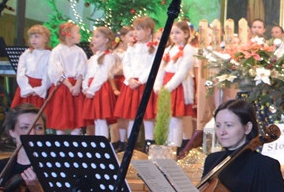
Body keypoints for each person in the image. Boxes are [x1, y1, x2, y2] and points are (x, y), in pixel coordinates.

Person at [114, 15, 158, 146]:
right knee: (131, 115)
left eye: (139, 29)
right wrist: (130, 79)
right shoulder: (131, 48)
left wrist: (141, 80)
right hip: (131, 84)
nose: (135, 33)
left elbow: (152, 66)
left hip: (144, 85)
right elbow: (126, 64)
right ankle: (130, 143)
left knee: (147, 116)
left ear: (148, 31)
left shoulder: (153, 48)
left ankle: (149, 142)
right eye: (135, 29)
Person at [155, 20, 197, 149]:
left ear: (185, 34)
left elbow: (182, 72)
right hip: (167, 84)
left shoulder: (188, 50)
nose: (174, 35)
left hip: (178, 86)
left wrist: (168, 87)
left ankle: (175, 147)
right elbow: (162, 68)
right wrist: (157, 85)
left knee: (176, 118)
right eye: (172, 33)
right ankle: (167, 143)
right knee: (168, 117)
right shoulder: (169, 49)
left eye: (177, 33)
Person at [45, 22, 88, 134]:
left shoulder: (79, 51)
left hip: (76, 87)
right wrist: (70, 86)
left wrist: (77, 85)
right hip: (62, 87)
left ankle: (75, 144)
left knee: (76, 117)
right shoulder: (57, 51)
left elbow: (82, 68)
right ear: (69, 35)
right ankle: (61, 144)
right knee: (61, 117)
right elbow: (56, 70)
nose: (80, 35)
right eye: (77, 33)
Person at [81, 26, 119, 139]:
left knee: (101, 119)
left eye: (97, 36)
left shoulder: (108, 57)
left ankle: (103, 144)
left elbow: (102, 75)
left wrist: (91, 90)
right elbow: (88, 74)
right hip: (91, 88)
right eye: (93, 36)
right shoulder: (94, 57)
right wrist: (85, 87)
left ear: (106, 40)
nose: (93, 39)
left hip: (100, 89)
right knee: (96, 119)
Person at [11, 24, 51, 108]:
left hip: (41, 89)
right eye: (31, 37)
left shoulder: (50, 55)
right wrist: (26, 88)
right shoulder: (26, 54)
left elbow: (48, 74)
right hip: (27, 87)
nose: (33, 39)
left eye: (37, 37)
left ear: (46, 39)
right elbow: (20, 73)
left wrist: (41, 89)